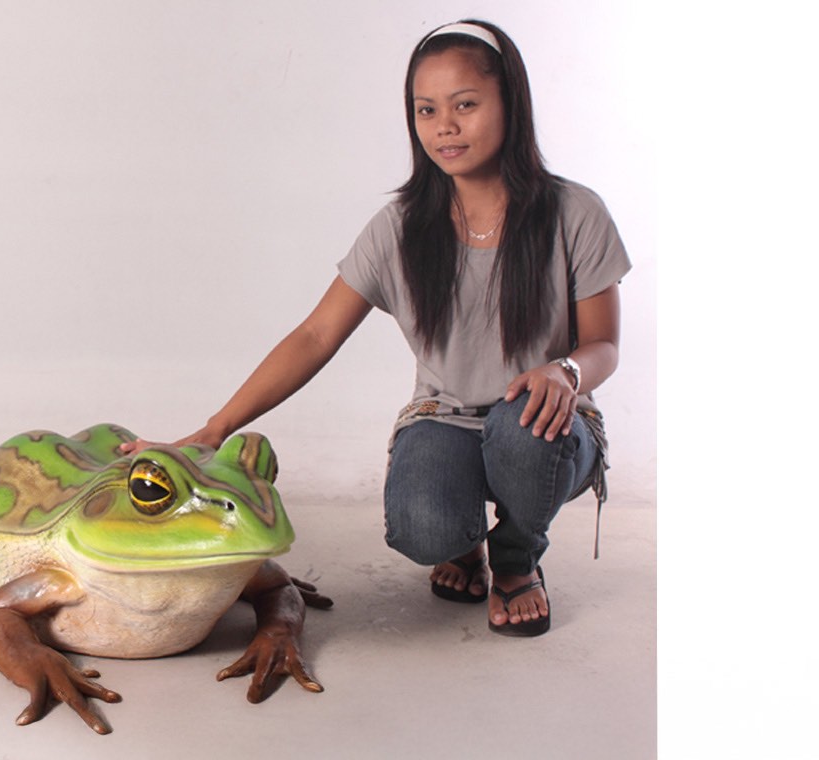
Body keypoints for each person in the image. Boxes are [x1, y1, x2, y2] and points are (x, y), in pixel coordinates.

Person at [123, 19, 631, 637]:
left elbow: (603, 343)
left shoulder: (574, 212)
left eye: (465, 105)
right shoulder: (401, 227)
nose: (445, 125)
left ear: (511, 105)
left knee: (518, 429)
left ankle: (518, 556)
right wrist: (213, 430)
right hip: (444, 419)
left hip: (546, 423)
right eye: (427, 110)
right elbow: (315, 336)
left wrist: (567, 371)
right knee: (423, 527)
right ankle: (463, 544)